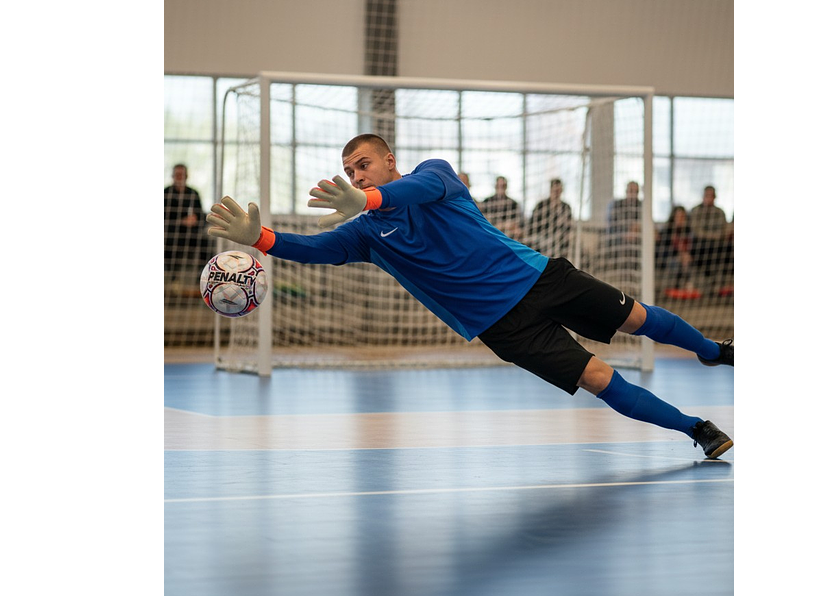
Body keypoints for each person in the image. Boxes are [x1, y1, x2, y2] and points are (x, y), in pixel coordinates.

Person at [205, 134, 733, 457]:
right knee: (599, 378)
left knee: (637, 318)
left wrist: (367, 196)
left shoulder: (432, 175)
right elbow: (316, 249)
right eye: (347, 171)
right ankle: (698, 429)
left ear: (389, 160)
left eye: (362, 164)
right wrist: (260, 239)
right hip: (503, 327)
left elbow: (415, 190)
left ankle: (713, 351)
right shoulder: (365, 234)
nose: (354, 175)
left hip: (540, 277)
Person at [164, 163, 208, 283]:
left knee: (205, 241)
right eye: (177, 175)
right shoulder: (166, 193)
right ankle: (171, 275)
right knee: (168, 241)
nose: (179, 177)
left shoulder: (193, 193)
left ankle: (202, 274)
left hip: (191, 232)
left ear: (186, 176)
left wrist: (195, 219)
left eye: (181, 175)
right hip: (171, 232)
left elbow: (201, 215)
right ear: (172, 176)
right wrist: (180, 222)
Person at [689, 185, 733, 290]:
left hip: (717, 244)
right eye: (707, 195)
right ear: (703, 197)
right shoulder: (696, 211)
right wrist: (713, 236)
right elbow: (696, 231)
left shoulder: (719, 212)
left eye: (711, 196)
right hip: (700, 244)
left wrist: (717, 236)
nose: (709, 198)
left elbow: (724, 229)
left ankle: (719, 284)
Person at [526, 177, 574, 258]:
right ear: (551, 190)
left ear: (561, 191)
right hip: (541, 237)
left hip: (559, 239)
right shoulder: (541, 205)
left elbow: (568, 226)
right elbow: (532, 224)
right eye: (555, 190)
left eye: (558, 190)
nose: (556, 193)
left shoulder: (566, 207)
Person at [655, 205, 697, 295]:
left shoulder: (689, 230)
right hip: (671, 258)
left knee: (686, 261)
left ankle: (686, 285)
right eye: (678, 216)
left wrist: (686, 255)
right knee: (680, 261)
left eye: (682, 217)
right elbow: (663, 249)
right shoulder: (667, 230)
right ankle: (681, 285)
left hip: (687, 258)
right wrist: (679, 254)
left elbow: (693, 247)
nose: (680, 219)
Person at [605, 181, 643, 267]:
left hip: (636, 237)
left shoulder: (641, 206)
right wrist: (625, 233)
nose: (633, 194)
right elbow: (612, 225)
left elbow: (643, 224)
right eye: (631, 191)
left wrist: (636, 229)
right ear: (626, 191)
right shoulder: (617, 205)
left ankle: (635, 267)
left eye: (635, 192)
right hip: (619, 237)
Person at [479, 175, 524, 240]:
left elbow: (515, 224)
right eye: (498, 186)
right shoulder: (487, 202)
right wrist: (503, 225)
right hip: (490, 233)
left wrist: (501, 226)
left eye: (503, 186)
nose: (500, 188)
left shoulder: (513, 203)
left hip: (508, 234)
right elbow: (484, 222)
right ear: (495, 186)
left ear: (506, 187)